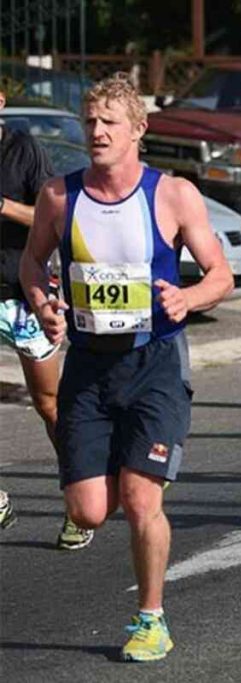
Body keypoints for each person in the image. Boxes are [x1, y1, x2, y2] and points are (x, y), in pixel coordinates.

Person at [20, 73, 233, 661]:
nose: (97, 131)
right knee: (88, 510)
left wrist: (187, 299)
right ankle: (114, 468)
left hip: (155, 363)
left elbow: (221, 274)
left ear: (139, 129)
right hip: (87, 365)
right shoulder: (59, 197)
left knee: (141, 500)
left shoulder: (172, 195)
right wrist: (44, 306)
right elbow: (33, 265)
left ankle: (150, 618)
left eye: (110, 122)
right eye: (90, 121)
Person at [0, 88, 94, 551]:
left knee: (49, 403)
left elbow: (51, 215)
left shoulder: (23, 150)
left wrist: (1, 206)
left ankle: (80, 501)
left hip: (21, 296)